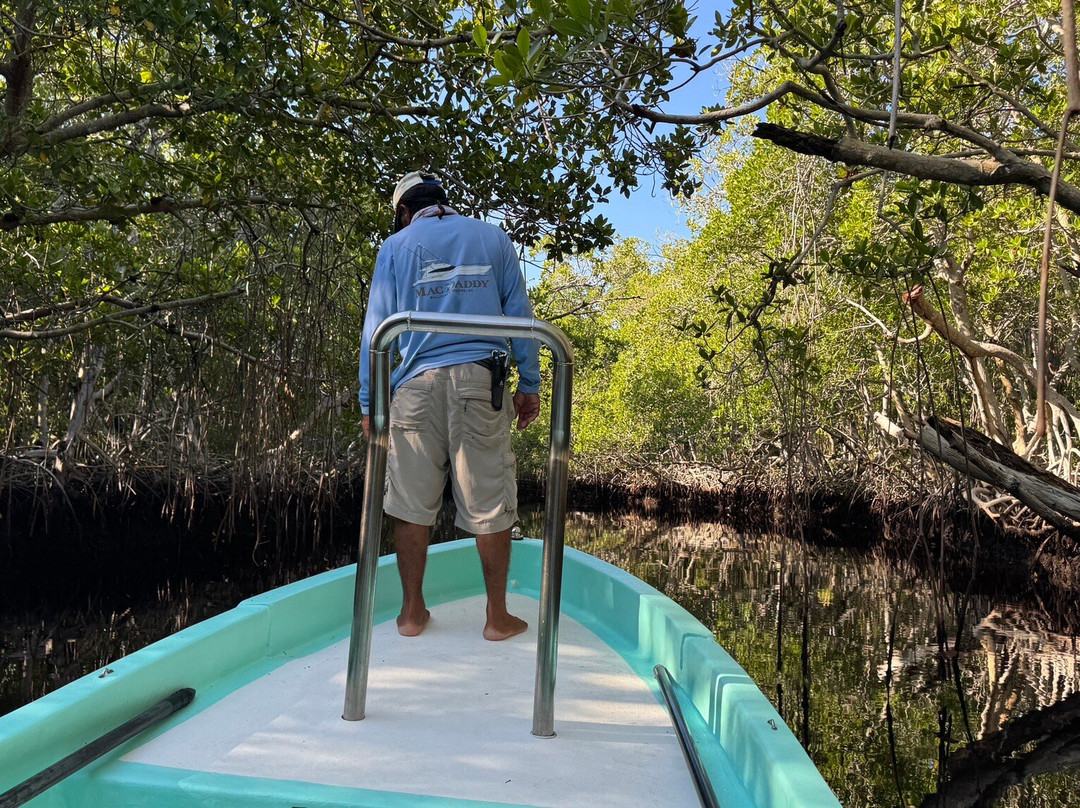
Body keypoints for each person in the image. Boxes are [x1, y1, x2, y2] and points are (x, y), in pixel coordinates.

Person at [358, 170, 541, 641]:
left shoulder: (393, 248)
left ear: (404, 211)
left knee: (411, 505)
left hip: (414, 388)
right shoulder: (492, 237)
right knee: (489, 505)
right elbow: (519, 316)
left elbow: (375, 335)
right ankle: (497, 618)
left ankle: (412, 614)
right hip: (480, 383)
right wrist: (530, 383)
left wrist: (369, 402)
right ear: (442, 201)